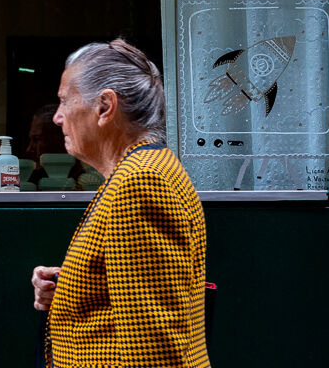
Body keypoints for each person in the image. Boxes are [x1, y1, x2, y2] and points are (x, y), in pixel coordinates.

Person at [31, 39, 209, 368]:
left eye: (64, 101)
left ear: (105, 107)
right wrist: (69, 290)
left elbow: (154, 350)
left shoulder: (140, 182)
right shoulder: (141, 172)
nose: (57, 117)